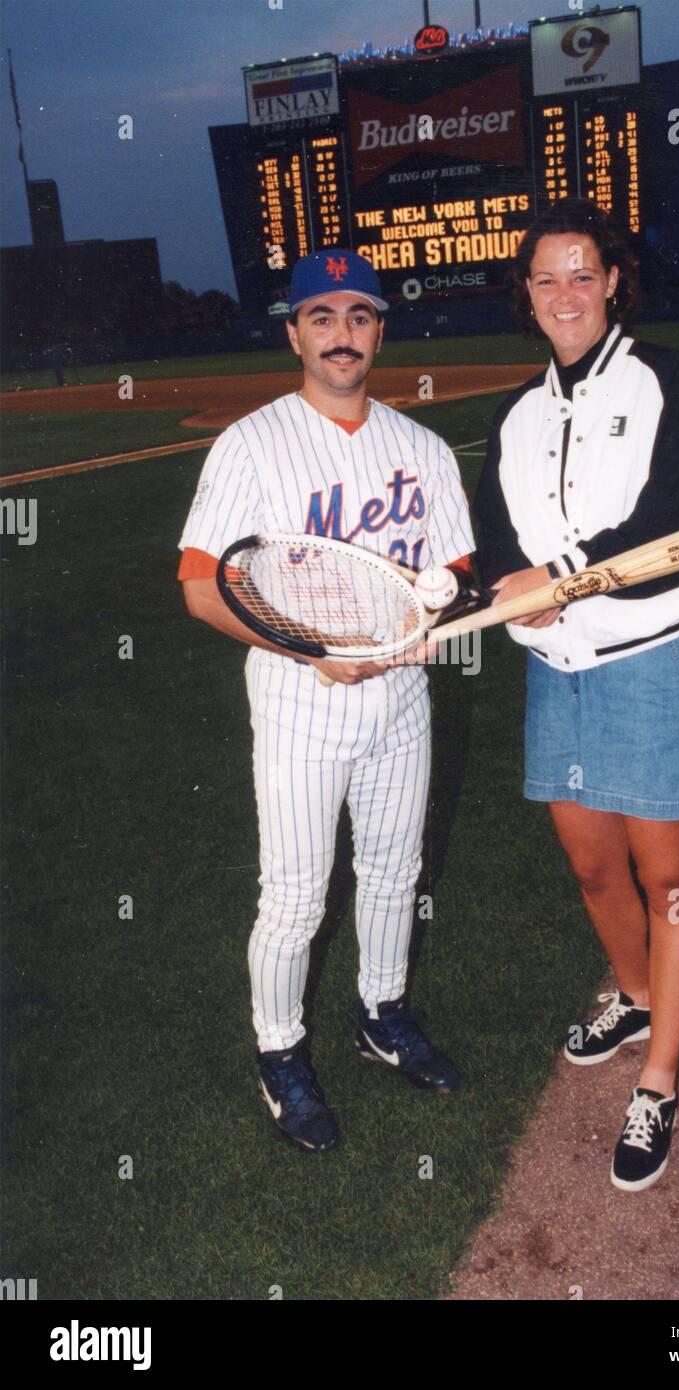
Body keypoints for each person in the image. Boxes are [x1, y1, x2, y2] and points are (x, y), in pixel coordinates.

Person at [178, 249, 475, 1153]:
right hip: (301, 702)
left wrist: (436, 605)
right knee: (298, 896)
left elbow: (454, 569)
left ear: (380, 329)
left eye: (358, 316)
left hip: (403, 698)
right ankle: (280, 1051)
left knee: (394, 873)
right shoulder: (252, 444)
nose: (341, 335)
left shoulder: (420, 448)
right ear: (294, 333)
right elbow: (201, 585)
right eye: (322, 317)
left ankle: (381, 1013)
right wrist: (308, 648)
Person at [473, 197, 679, 1192]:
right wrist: (508, 591)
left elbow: (675, 520)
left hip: (654, 654)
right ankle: (631, 994)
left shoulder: (662, 377)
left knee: (669, 875)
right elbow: (498, 534)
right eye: (546, 278)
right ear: (526, 295)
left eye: (583, 273)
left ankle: (657, 1079)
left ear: (613, 280)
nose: (565, 293)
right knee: (589, 864)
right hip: (558, 671)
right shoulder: (517, 414)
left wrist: (562, 571)